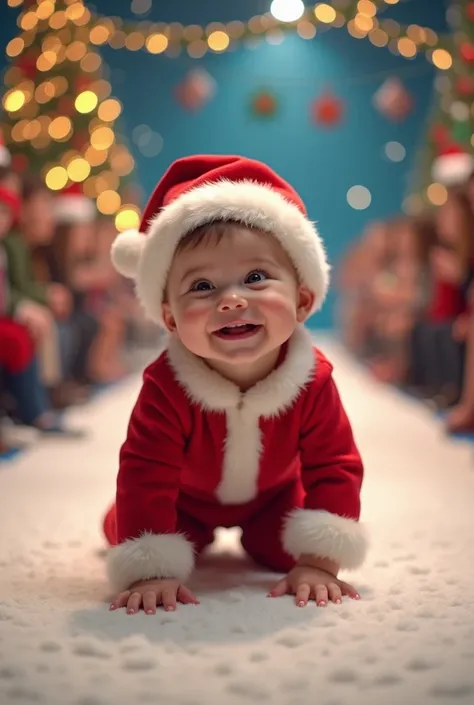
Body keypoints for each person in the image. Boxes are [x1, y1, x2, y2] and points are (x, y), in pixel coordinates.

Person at [103, 155, 368, 615]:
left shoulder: (313, 380)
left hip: (275, 498)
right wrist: (148, 567)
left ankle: (281, 540)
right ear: (169, 317)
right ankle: (129, 528)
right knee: (127, 529)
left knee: (288, 552)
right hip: (186, 500)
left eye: (256, 278)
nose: (231, 300)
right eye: (202, 286)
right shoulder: (165, 386)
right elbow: (145, 469)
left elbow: (334, 465)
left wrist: (321, 563)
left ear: (303, 300)